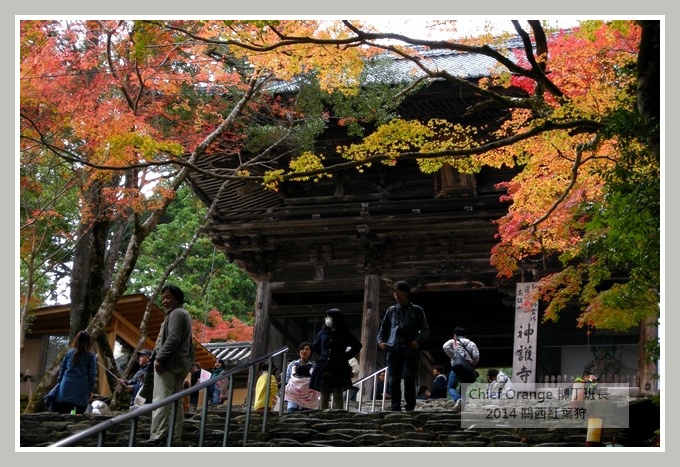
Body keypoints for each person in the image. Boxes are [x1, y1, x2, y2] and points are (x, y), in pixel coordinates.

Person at [149, 284, 194, 446]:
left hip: (169, 364)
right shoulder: (184, 314)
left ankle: (158, 436)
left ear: (178, 298)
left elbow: (173, 338)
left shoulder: (176, 314)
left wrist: (160, 358)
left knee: (161, 399)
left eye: (168, 297)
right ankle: (175, 436)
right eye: (163, 298)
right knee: (176, 402)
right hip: (181, 363)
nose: (164, 301)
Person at [377, 280, 429, 412]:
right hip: (393, 348)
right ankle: (395, 407)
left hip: (409, 349)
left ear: (405, 293)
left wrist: (416, 341)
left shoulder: (417, 310)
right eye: (394, 293)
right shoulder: (391, 311)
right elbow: (383, 329)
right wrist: (381, 342)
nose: (396, 295)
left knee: (408, 377)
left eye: (398, 292)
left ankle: (410, 406)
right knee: (393, 379)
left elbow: (425, 329)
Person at [309, 308, 363, 410]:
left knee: (338, 394)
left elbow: (357, 345)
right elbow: (315, 346)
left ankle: (338, 415)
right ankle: (322, 415)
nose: (327, 319)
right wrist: (324, 355)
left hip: (338, 366)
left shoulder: (344, 333)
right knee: (324, 393)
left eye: (330, 317)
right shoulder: (323, 332)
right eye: (326, 317)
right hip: (324, 365)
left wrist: (346, 356)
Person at [49, 330, 97, 414]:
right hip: (81, 388)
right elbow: (92, 374)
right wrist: (90, 389)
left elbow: (62, 370)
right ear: (89, 341)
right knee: (77, 414)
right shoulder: (90, 355)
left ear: (76, 339)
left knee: (62, 412)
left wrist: (60, 383)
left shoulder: (69, 353)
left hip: (66, 385)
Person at [443, 326, 479, 413]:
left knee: (451, 387)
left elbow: (445, 347)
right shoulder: (471, 343)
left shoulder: (453, 341)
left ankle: (457, 399)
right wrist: (472, 363)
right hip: (467, 369)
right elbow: (476, 356)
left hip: (457, 367)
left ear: (454, 335)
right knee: (463, 388)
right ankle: (462, 406)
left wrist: (454, 356)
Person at [284, 341, 315, 412]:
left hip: (308, 397)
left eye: (307, 349)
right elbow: (287, 379)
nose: (304, 351)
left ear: (310, 352)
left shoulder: (313, 366)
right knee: (291, 413)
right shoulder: (292, 365)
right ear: (299, 351)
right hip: (293, 396)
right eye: (302, 349)